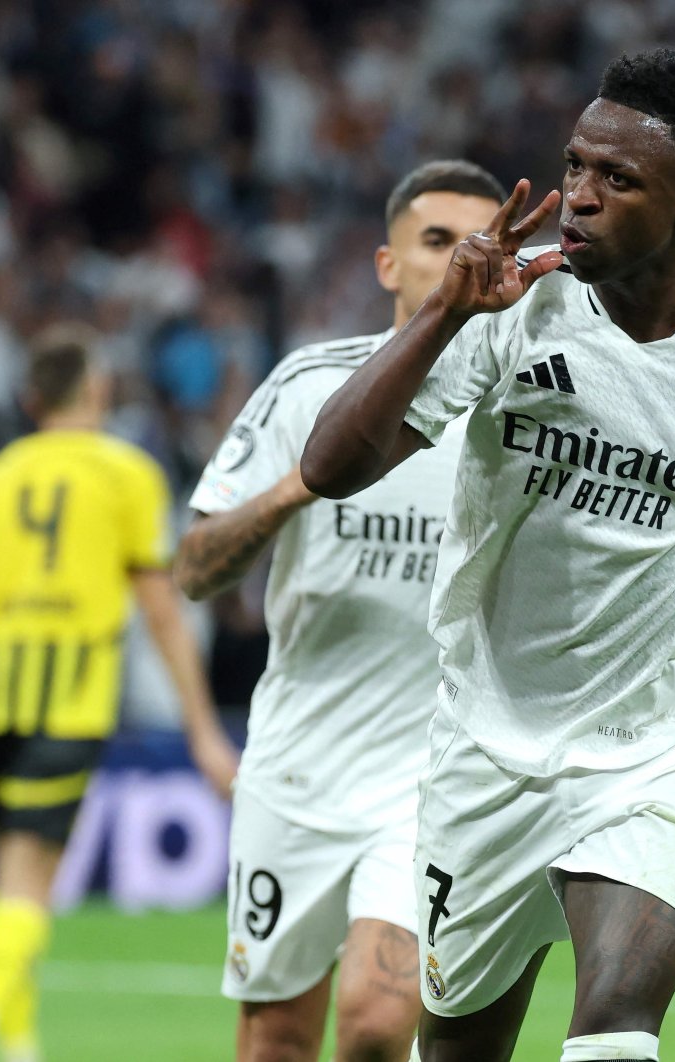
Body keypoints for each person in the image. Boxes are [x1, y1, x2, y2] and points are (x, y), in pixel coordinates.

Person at [301, 50, 675, 1062]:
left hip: (658, 749)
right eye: (574, 166)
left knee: (613, 1031)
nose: (578, 198)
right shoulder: (508, 311)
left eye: (617, 180)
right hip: (484, 747)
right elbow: (328, 468)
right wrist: (439, 314)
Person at [174, 160, 506, 1062]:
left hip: (436, 779)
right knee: (277, 1038)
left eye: (480, 239)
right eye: (436, 240)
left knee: (374, 1021)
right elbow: (195, 569)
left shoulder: (521, 414)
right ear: (387, 265)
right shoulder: (309, 388)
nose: (460, 258)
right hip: (299, 769)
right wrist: (300, 486)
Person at [0, 324, 238, 1062]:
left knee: (7, 880)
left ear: (31, 398)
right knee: (30, 879)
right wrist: (202, 730)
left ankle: (19, 1047)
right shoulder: (127, 473)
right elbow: (161, 610)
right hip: (67, 694)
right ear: (99, 390)